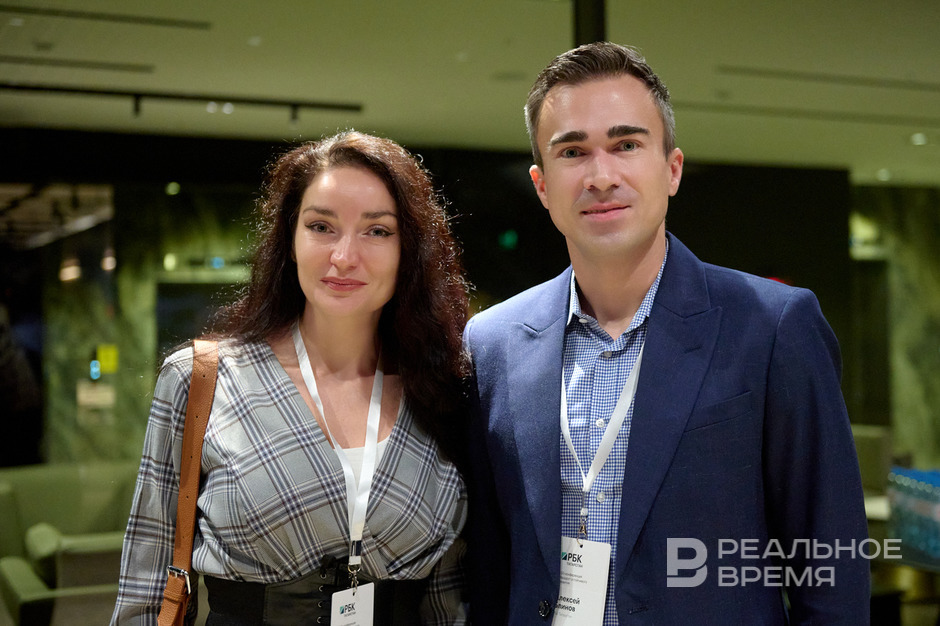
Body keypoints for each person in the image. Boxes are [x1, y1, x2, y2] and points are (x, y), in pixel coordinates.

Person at [463, 42, 869, 624]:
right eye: (573, 152)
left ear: (672, 169)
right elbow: (489, 567)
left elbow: (830, 568)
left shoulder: (773, 326)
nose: (601, 176)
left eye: (626, 145)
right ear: (542, 185)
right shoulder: (493, 343)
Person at [112, 130, 470, 625]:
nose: (344, 256)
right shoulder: (205, 381)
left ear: (409, 249)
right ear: (290, 239)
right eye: (321, 226)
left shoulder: (441, 386)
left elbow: (450, 600)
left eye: (377, 231)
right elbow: (146, 587)